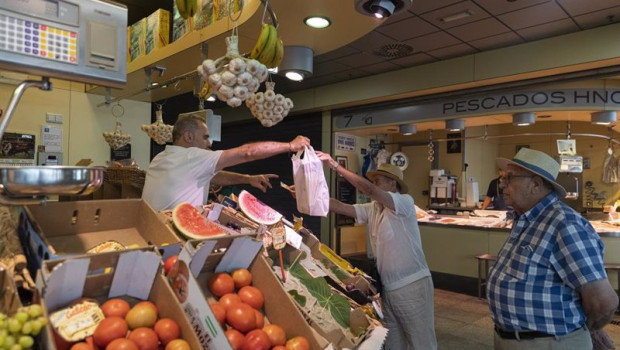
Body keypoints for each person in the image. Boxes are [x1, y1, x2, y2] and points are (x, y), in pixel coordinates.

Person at [486, 148, 618, 350]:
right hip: (513, 339)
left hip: (550, 343)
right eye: (502, 178)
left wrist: (581, 331)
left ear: (536, 184)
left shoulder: (565, 225)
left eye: (509, 178)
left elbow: (603, 302)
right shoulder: (526, 220)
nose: (502, 185)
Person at [312, 152, 437, 350]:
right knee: (393, 344)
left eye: (379, 181)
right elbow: (341, 207)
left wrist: (335, 166)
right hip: (388, 289)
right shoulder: (374, 208)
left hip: (412, 286)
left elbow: (368, 189)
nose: (374, 185)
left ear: (392, 184)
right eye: (375, 181)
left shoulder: (404, 202)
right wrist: (308, 194)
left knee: (422, 342)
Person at [142, 113, 310, 211]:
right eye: (206, 137)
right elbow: (248, 152)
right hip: (175, 238)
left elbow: (213, 176)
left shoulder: (162, 157)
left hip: (152, 230)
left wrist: (247, 179)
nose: (209, 143)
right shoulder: (192, 156)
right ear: (189, 136)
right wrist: (290, 145)